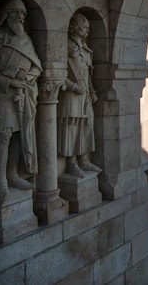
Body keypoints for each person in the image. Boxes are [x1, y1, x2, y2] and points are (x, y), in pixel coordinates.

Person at [0, 0, 42, 202]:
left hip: (24, 95)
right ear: (5, 15)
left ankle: (12, 174)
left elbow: (37, 66)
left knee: (19, 135)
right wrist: (9, 80)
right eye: (17, 12)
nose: (21, 17)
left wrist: (27, 77)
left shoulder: (26, 39)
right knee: (3, 136)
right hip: (2, 96)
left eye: (24, 13)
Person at [58, 13, 102, 178]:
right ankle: (71, 163)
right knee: (72, 129)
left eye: (88, 28)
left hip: (85, 97)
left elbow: (88, 75)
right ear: (74, 27)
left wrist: (92, 91)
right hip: (71, 96)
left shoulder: (85, 50)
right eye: (84, 27)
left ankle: (84, 159)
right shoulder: (65, 46)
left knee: (86, 126)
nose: (87, 30)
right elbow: (57, 74)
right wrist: (74, 87)